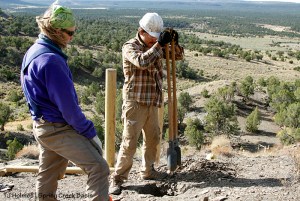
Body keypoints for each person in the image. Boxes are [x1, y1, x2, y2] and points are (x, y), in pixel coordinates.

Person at [20, 3, 112, 201]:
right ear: (56, 31)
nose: (72, 37)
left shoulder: (34, 50)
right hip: (57, 128)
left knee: (49, 172)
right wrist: (90, 132)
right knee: (99, 168)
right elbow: (69, 108)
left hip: (42, 126)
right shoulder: (52, 61)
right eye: (70, 33)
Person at [109, 12, 174, 195]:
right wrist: (160, 44)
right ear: (141, 31)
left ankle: (148, 171)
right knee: (129, 143)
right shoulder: (129, 46)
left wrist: (174, 44)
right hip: (135, 103)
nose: (154, 41)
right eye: (152, 38)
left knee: (153, 139)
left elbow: (176, 57)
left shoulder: (155, 44)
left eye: (156, 39)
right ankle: (118, 179)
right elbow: (142, 61)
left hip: (152, 101)